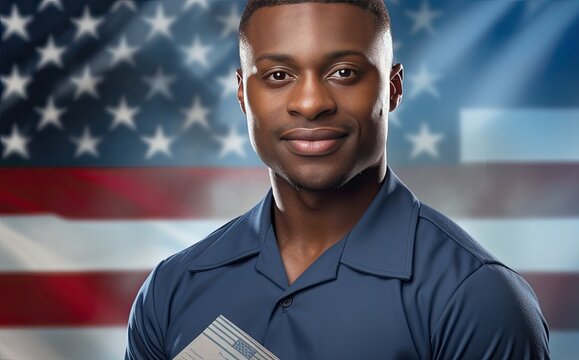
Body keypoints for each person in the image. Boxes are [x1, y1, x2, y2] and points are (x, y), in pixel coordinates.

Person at [125, 0, 550, 358]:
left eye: (344, 72)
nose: (310, 104)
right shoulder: (173, 287)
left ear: (393, 88)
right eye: (278, 76)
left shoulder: (477, 298)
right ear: (242, 94)